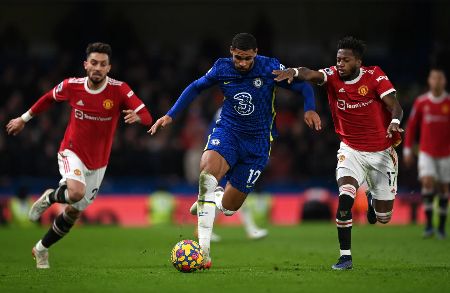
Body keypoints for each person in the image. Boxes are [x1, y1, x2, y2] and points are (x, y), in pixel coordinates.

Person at [149, 33, 321, 269]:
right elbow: (195, 87)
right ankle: (204, 253)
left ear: (256, 54)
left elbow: (304, 87)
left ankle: (216, 199)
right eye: (238, 58)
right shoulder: (221, 68)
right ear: (231, 51)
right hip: (228, 132)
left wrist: (309, 109)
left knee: (230, 209)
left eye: (247, 59)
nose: (242, 63)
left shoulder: (269, 67)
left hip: (258, 143)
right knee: (206, 178)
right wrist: (170, 115)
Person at [6, 43, 153, 269]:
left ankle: (41, 249)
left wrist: (137, 116)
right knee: (75, 193)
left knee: (73, 212)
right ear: (86, 65)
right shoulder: (72, 86)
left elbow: (147, 117)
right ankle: (50, 198)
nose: (97, 68)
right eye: (93, 63)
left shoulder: (119, 89)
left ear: (109, 68)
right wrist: (23, 119)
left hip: (99, 162)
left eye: (103, 64)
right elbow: (48, 98)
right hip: (71, 151)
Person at [273, 36, 404, 270]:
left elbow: (395, 105)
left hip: (381, 152)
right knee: (345, 198)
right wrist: (293, 70)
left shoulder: (374, 76)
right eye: (338, 59)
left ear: (358, 62)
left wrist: (394, 121)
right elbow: (310, 73)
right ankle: (345, 257)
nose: (340, 64)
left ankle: (374, 201)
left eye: (346, 60)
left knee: (384, 218)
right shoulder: (332, 76)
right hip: (350, 150)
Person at [196, 107, 268, 242]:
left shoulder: (231, 106)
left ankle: (204, 227)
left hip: (225, 152)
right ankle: (251, 229)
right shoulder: (232, 108)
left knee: (232, 193)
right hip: (225, 153)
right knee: (234, 190)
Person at [403, 69, 450, 239]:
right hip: (426, 152)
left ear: (444, 81)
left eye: (440, 78)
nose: (437, 81)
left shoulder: (448, 102)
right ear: (429, 81)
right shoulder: (422, 102)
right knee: (427, 181)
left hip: (446, 153)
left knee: (443, 188)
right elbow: (411, 126)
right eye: (434, 78)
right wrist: (408, 149)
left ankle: (442, 228)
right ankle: (430, 225)